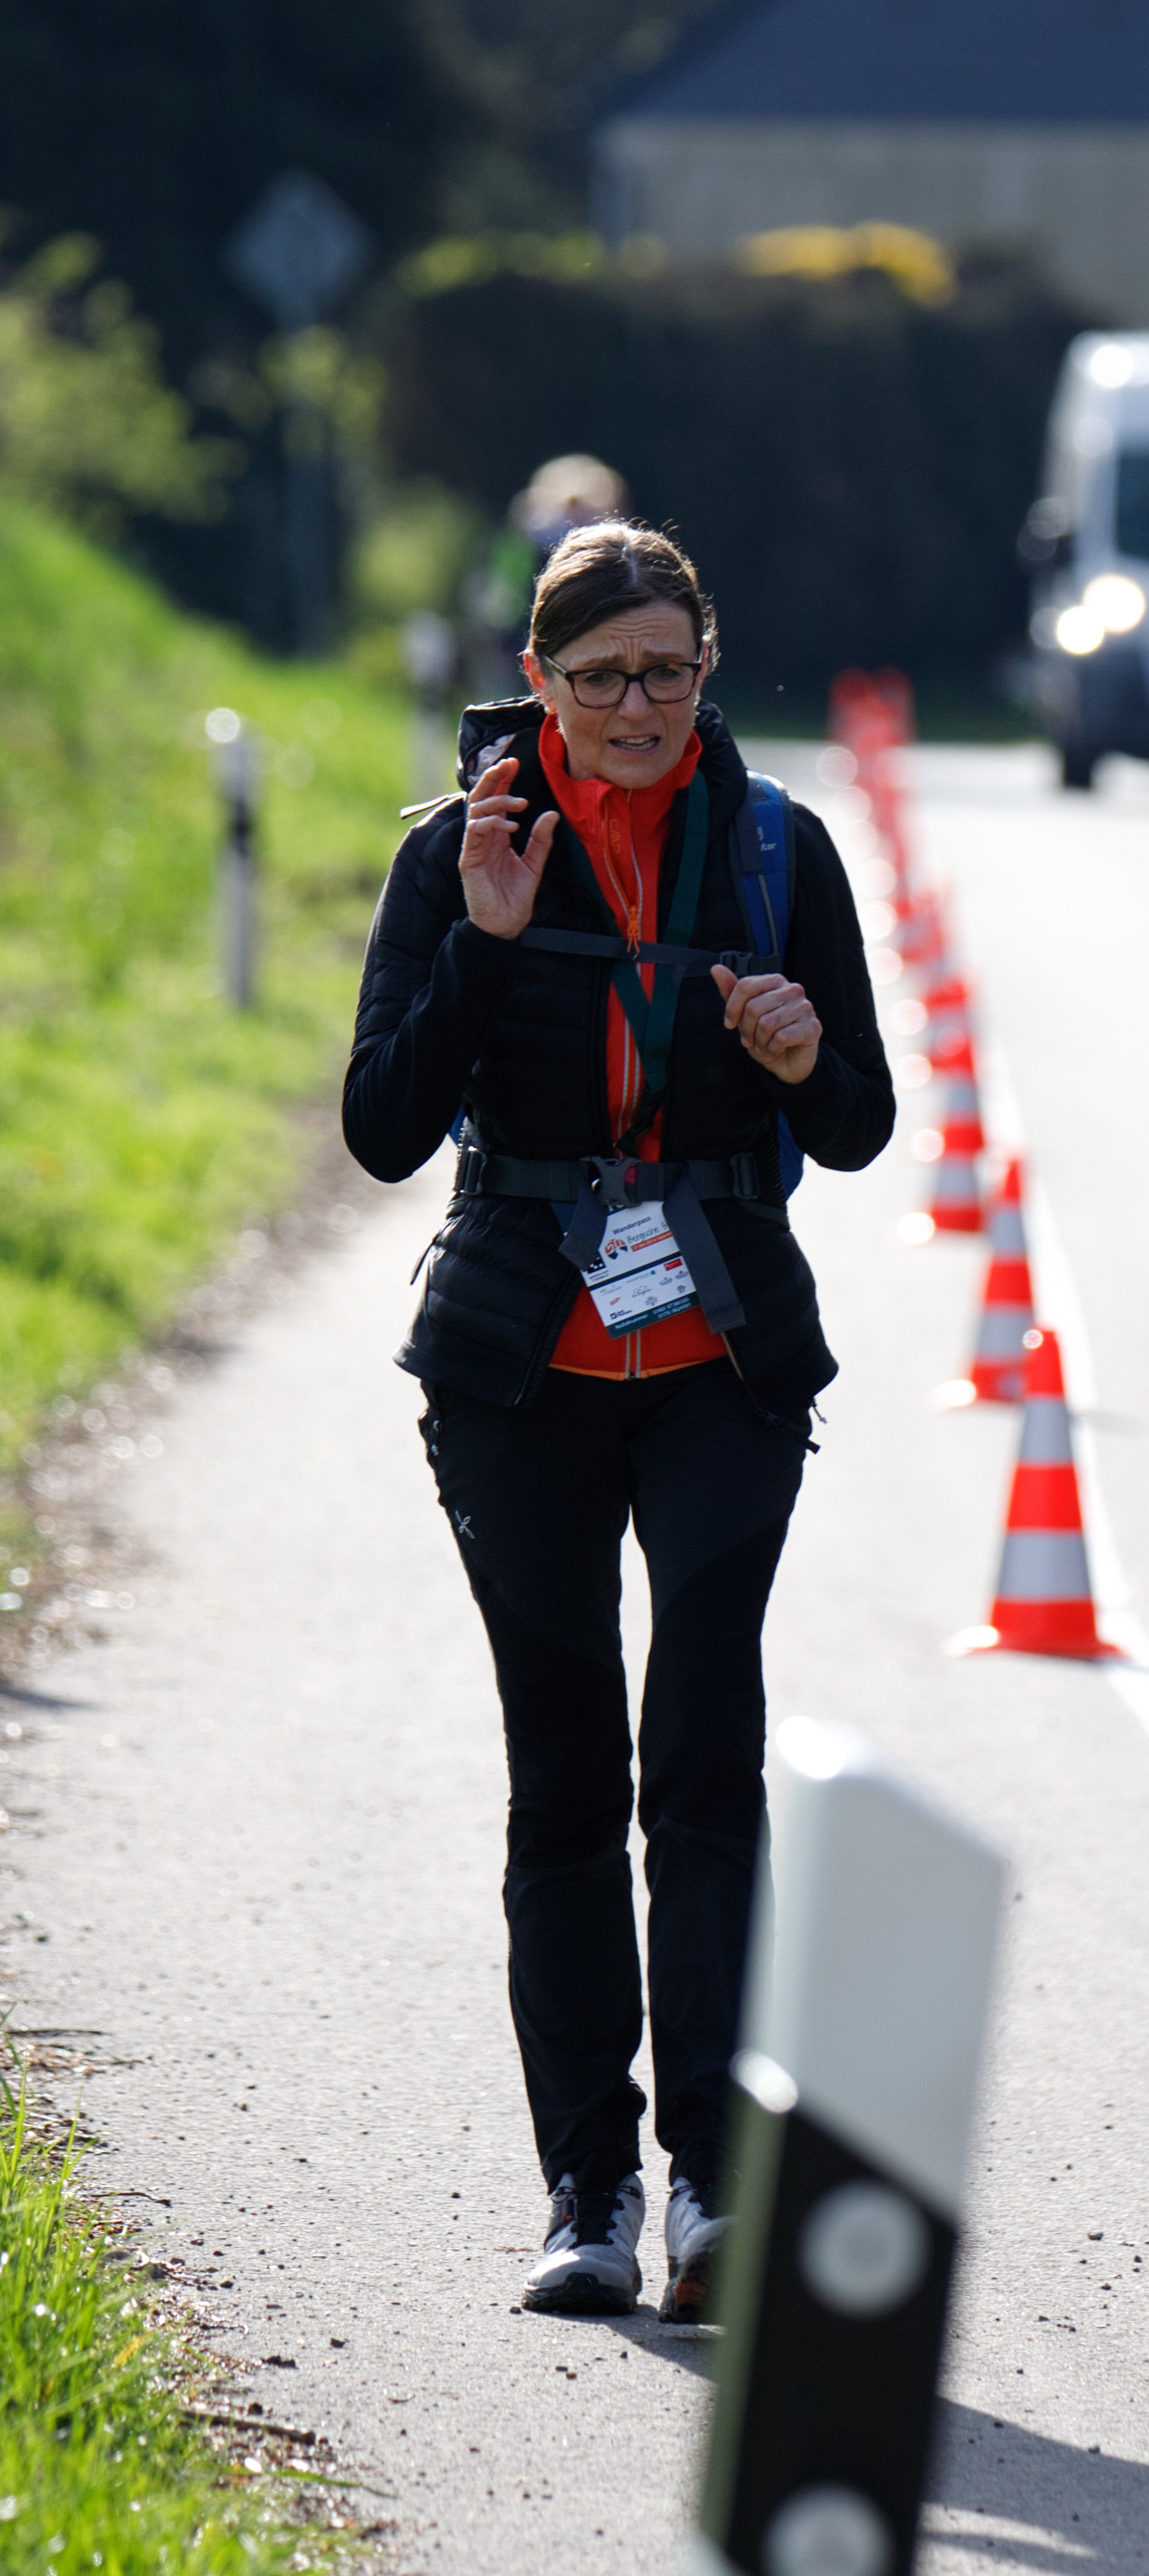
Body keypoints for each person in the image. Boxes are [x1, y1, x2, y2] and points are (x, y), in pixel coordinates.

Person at [343, 519, 894, 2319]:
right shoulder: (455, 858)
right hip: (519, 1371)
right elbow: (382, 1129)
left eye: (666, 672)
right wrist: (490, 949)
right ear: (537, 687)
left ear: (707, 668)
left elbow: (861, 1130)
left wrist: (805, 1057)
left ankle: (712, 2192)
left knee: (705, 1756)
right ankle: (584, 2188)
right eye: (599, 682)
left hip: (721, 1359)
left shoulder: (773, 848)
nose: (637, 708)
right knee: (566, 1763)